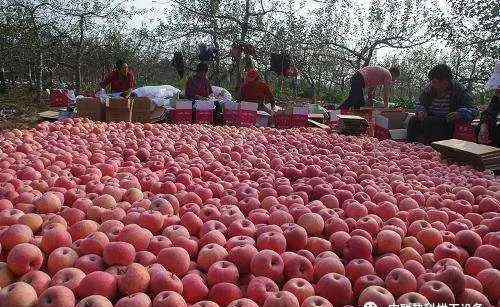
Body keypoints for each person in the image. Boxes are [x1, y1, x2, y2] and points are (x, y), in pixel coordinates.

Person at [407, 64, 478, 144]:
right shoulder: (428, 90)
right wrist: (421, 110)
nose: (435, 86)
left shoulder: (459, 90)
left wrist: (460, 113)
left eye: (441, 83)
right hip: (430, 119)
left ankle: (435, 150)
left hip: (448, 123)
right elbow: (419, 103)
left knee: (435, 125)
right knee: (413, 120)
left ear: (447, 81)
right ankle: (410, 147)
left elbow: (474, 111)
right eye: (433, 82)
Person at [477, 60, 500, 147]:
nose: (497, 90)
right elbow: (488, 113)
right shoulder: (497, 98)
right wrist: (484, 125)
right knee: (479, 128)